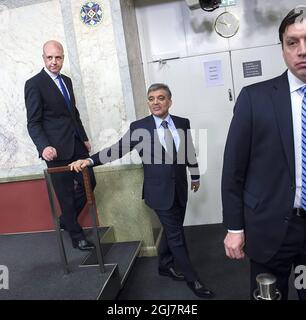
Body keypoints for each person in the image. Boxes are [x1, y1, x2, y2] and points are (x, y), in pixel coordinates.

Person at [69, 83, 214, 298]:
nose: (156, 102)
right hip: (158, 192)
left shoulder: (182, 123)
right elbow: (116, 150)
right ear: (148, 102)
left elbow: (188, 150)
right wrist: (89, 160)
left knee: (170, 229)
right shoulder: (140, 127)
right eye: (151, 98)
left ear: (169, 101)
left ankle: (165, 265)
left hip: (180, 188)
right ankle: (194, 280)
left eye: (161, 98)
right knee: (176, 235)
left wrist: (194, 175)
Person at [222, 7, 306, 300]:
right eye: (292, 42)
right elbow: (233, 170)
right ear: (282, 48)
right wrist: (234, 227)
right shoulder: (254, 99)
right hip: (270, 230)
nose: (302, 50)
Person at [25, 40, 96, 251]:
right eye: (49, 57)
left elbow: (73, 114)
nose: (54, 62)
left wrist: (83, 137)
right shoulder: (34, 84)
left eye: (58, 57)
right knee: (64, 193)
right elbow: (33, 122)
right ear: (43, 58)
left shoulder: (67, 81)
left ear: (63, 58)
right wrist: (43, 146)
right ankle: (76, 235)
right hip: (55, 151)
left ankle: (67, 219)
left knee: (89, 182)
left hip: (76, 145)